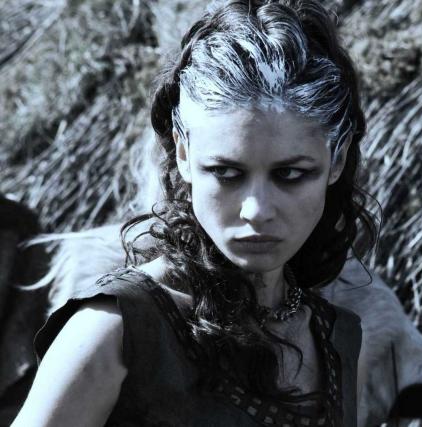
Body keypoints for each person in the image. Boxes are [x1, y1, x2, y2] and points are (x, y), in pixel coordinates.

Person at [12, 1, 383, 425]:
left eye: (290, 174)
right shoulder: (114, 330)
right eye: (226, 173)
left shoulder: (337, 338)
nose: (256, 210)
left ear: (336, 161)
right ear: (184, 155)